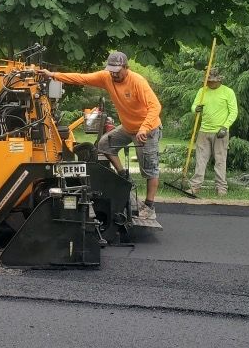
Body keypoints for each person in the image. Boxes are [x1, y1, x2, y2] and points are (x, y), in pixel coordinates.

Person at [42, 51, 162, 222]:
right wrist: (53, 75)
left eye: (117, 71)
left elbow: (155, 106)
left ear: (125, 67)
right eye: (111, 70)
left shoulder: (137, 82)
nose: (114, 74)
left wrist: (144, 128)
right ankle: (123, 175)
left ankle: (150, 206)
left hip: (148, 129)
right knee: (104, 144)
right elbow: (81, 78)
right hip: (128, 127)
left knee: (149, 168)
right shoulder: (106, 78)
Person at [189, 67, 238, 197]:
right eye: (208, 81)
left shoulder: (228, 92)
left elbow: (233, 112)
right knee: (200, 160)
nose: (210, 83)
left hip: (220, 132)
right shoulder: (202, 91)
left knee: (220, 160)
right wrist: (196, 109)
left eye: (212, 81)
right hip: (204, 131)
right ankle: (195, 186)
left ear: (219, 80)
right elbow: (194, 106)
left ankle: (221, 188)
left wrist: (225, 127)